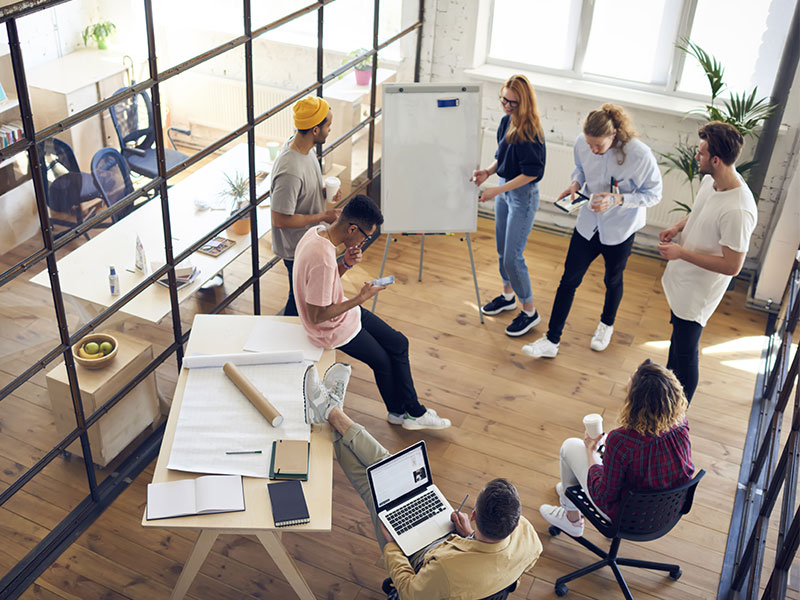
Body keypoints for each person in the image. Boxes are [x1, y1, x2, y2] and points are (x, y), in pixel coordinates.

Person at [302, 364, 543, 600]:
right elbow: (511, 576)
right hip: (460, 548)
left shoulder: (448, 571)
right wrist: (470, 537)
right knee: (390, 469)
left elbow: (409, 592)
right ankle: (331, 412)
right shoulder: (529, 539)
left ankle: (330, 412)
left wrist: (393, 546)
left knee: (372, 487)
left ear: (473, 515)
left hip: (432, 564)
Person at [293, 194, 451, 430]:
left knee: (399, 343)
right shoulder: (323, 260)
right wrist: (360, 298)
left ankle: (404, 413)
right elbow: (317, 316)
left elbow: (322, 287)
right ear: (352, 229)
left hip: (343, 313)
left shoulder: (316, 233)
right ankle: (407, 412)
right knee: (384, 362)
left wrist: (345, 263)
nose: (364, 242)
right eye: (366, 236)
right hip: (329, 329)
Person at [523, 104, 662, 358]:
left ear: (615, 134)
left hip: (620, 228)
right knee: (568, 280)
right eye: (589, 145)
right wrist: (575, 184)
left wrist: (618, 200)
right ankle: (551, 341)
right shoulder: (583, 143)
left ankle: (606, 325)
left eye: (598, 146)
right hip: (588, 224)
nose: (593, 150)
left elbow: (654, 194)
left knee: (612, 280)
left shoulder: (640, 155)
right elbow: (581, 168)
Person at [658, 122, 757, 403]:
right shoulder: (710, 182)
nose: (696, 158)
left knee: (686, 354)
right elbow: (700, 211)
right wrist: (677, 227)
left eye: (700, 153)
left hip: (698, 293)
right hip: (683, 280)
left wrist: (682, 253)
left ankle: (677, 417)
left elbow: (732, 266)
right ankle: (666, 401)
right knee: (676, 344)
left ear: (716, 159)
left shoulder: (739, 209)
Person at [539, 360, 694, 536]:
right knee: (582, 468)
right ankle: (569, 495)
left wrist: (590, 451)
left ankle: (571, 517)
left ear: (635, 403)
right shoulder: (681, 424)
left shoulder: (621, 440)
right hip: (668, 511)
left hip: (628, 518)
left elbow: (602, 495)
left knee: (570, 447)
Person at [471, 74, 546, 337]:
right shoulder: (506, 122)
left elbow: (532, 173)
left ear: (524, 103)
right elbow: (500, 156)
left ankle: (529, 311)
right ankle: (508, 296)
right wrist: (487, 173)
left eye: (513, 103)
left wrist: (497, 190)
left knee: (514, 256)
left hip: (522, 196)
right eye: (504, 99)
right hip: (504, 190)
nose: (507, 106)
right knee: (503, 251)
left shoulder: (530, 132)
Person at [271, 96, 342, 316]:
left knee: (302, 295)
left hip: (309, 238)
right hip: (296, 248)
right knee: (299, 297)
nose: (330, 130)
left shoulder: (306, 149)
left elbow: (300, 193)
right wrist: (323, 215)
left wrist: (321, 192)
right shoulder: (289, 170)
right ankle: (289, 337)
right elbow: (280, 220)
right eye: (327, 125)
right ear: (314, 130)